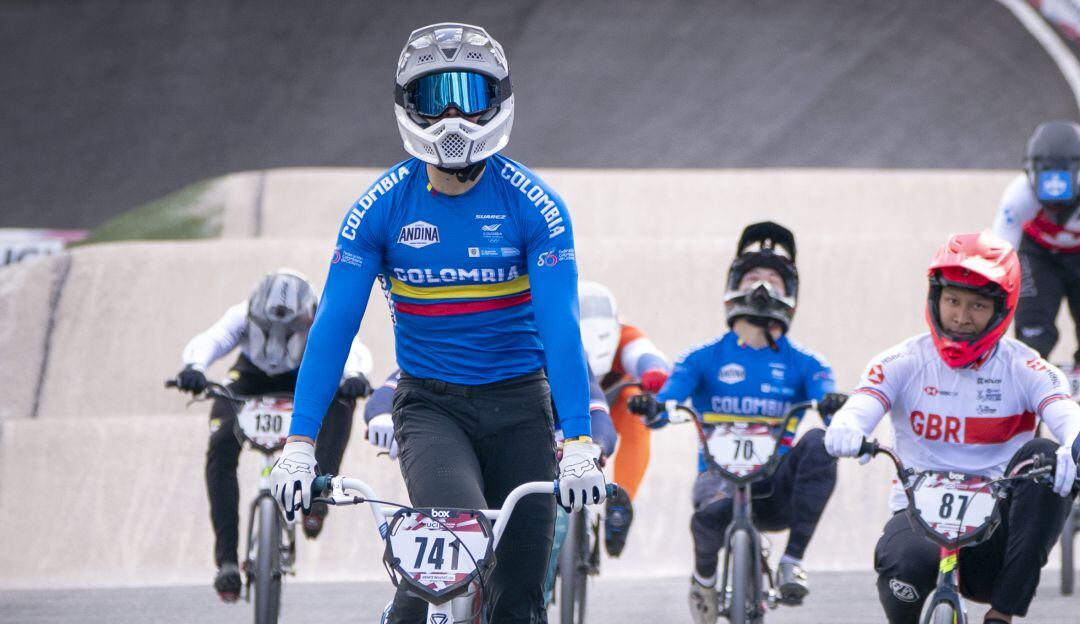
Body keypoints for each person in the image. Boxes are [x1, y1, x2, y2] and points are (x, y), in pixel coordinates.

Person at [268, 23, 606, 624]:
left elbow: (562, 329)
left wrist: (578, 441)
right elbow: (332, 330)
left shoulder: (536, 206)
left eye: (470, 97)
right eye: (433, 97)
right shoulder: (378, 209)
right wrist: (300, 445)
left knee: (520, 599)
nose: (452, 116)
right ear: (407, 108)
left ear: (498, 103)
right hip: (432, 410)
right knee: (453, 554)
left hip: (522, 408)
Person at [824, 231, 1080, 624]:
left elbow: (1066, 412)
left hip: (995, 533)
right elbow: (861, 404)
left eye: (977, 305)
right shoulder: (902, 360)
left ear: (1001, 309)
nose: (961, 317)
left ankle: (1002, 614)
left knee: (1051, 459)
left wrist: (1074, 444)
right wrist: (846, 426)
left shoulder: (1026, 367)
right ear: (935, 299)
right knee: (903, 570)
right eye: (952, 301)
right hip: (918, 520)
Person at [630, 222, 847, 623]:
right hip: (718, 478)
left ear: (789, 295)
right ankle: (704, 579)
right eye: (752, 277)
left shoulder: (808, 362)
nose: (761, 287)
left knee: (820, 440)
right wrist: (653, 407)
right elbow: (668, 401)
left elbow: (827, 398)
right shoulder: (701, 357)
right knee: (708, 521)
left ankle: (792, 561)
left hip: (775, 482)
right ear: (733, 286)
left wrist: (834, 405)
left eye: (772, 280)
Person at [172, 268, 373, 602]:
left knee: (342, 402)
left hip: (304, 374)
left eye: (291, 329)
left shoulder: (322, 309)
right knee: (221, 444)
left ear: (308, 317)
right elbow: (214, 339)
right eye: (267, 329)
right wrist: (195, 367)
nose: (278, 337)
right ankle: (226, 560)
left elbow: (347, 343)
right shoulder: (242, 313)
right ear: (254, 315)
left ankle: (316, 500)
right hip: (251, 376)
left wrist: (355, 374)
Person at [578, 280, 672, 557]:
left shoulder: (627, 335)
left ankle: (621, 499)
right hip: (564, 403)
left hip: (612, 404)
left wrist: (655, 378)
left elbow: (645, 354)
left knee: (635, 408)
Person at [992, 120, 1080, 366]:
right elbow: (1001, 252)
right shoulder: (1018, 195)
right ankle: (1031, 371)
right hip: (1039, 255)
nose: (1055, 210)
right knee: (1032, 332)